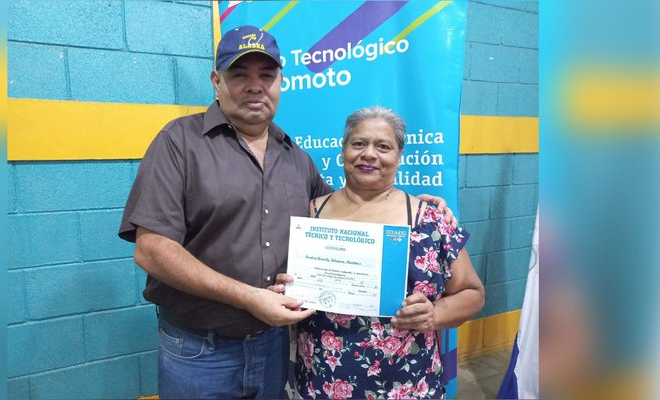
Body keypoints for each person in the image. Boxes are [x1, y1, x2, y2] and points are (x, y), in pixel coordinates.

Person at [118, 26, 457, 399]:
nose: (255, 86)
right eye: (239, 75)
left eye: (266, 76)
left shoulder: (297, 160)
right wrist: (250, 297)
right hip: (200, 350)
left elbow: (350, 215)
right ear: (217, 81)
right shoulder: (179, 142)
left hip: (271, 346)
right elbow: (150, 250)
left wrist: (408, 202)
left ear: (280, 82)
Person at [270, 106, 484, 400]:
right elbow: (283, 288)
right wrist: (285, 291)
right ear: (343, 151)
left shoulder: (429, 221)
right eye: (359, 143)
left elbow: (473, 293)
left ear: (399, 157)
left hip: (407, 383)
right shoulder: (310, 215)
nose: (369, 154)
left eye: (383, 146)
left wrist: (434, 313)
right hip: (323, 381)